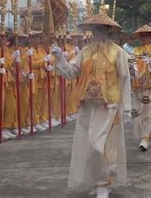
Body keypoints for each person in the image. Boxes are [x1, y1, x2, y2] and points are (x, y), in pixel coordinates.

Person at [52, 11, 131, 198]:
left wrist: (127, 107)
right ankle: (99, 181)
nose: (97, 32)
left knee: (100, 145)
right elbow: (72, 72)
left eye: (101, 28)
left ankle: (104, 183)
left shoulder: (118, 52)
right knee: (88, 145)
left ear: (108, 30)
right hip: (88, 105)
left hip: (109, 105)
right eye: (95, 28)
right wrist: (60, 59)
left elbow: (125, 79)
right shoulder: (85, 52)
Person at [131, 24, 151, 151]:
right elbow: (133, 65)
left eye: (146, 36)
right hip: (139, 85)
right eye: (142, 36)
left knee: (149, 111)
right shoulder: (135, 51)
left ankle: (146, 137)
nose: (144, 38)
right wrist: (134, 69)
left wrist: (150, 62)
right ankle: (143, 136)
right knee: (138, 111)